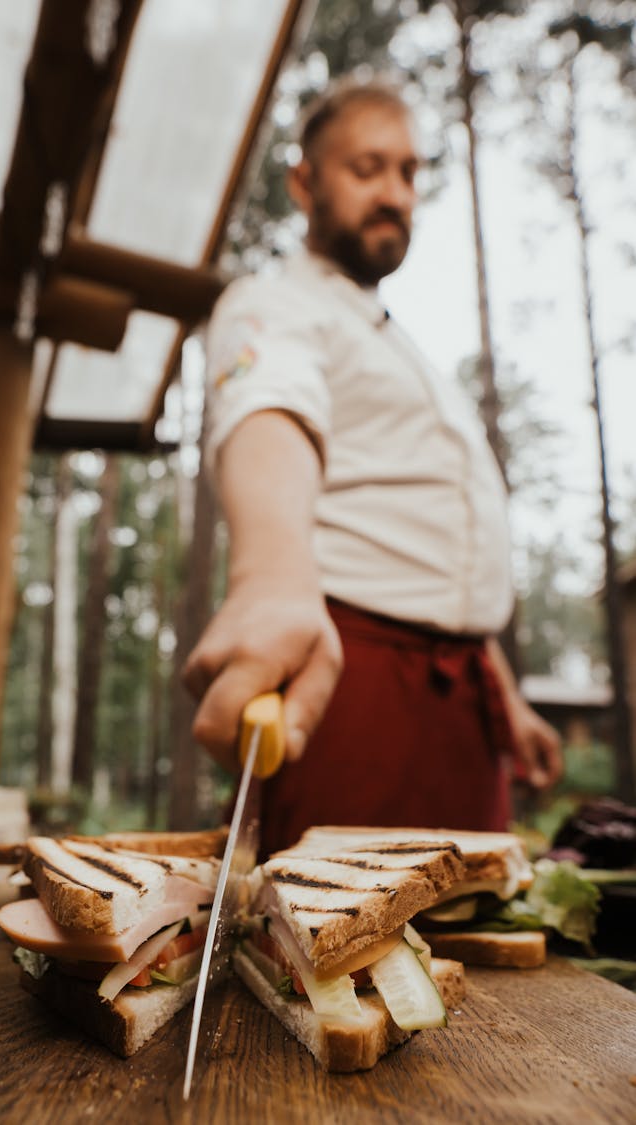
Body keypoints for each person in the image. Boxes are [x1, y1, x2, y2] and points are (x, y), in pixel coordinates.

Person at [182, 78, 562, 857]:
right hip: (350, 680)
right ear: (304, 182)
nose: (394, 192)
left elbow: (425, 543)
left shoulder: (399, 343)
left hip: (465, 700)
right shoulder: (276, 302)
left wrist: (508, 697)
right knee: (326, 949)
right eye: (367, 168)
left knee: (475, 943)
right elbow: (269, 405)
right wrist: (270, 578)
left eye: (409, 172)